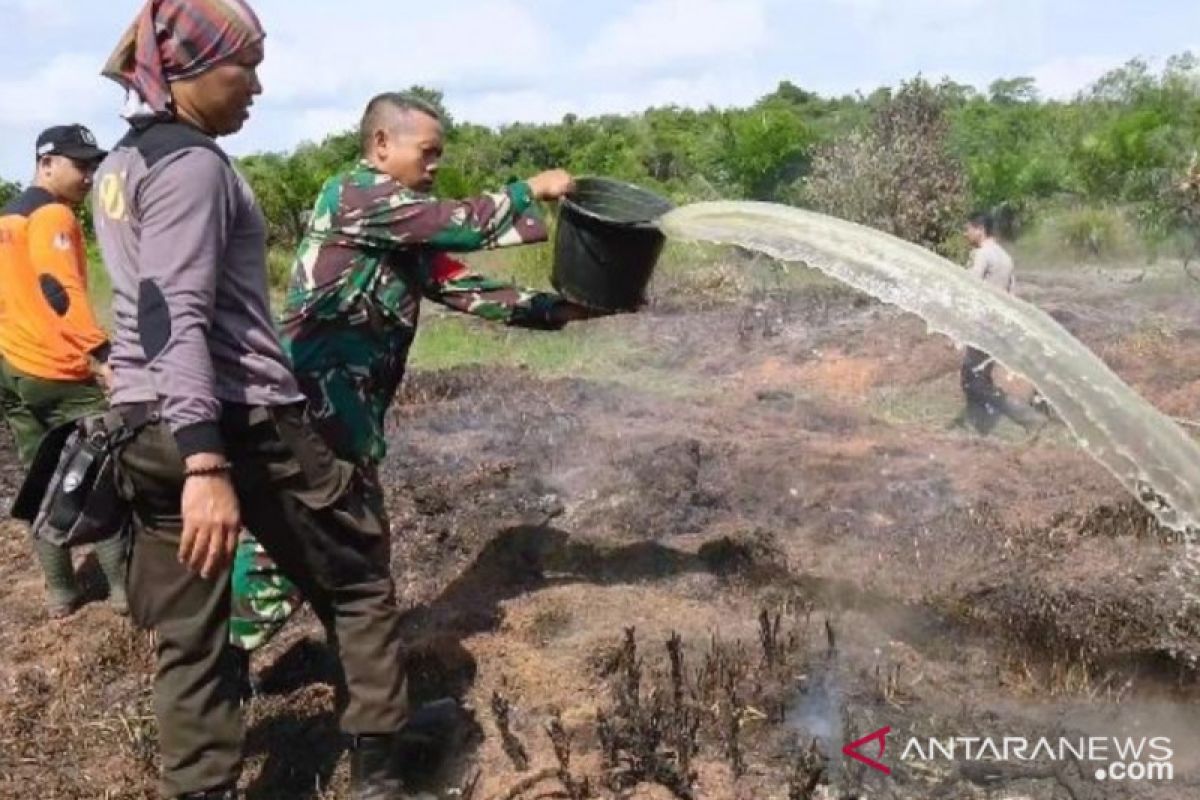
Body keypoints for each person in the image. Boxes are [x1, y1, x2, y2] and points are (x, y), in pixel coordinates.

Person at [92, 2, 414, 796]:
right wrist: (207, 460)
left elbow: (140, 311)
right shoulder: (195, 167)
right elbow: (175, 310)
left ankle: (199, 787)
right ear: (192, 73)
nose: (259, 87)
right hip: (234, 422)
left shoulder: (114, 169)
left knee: (190, 635)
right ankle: (384, 768)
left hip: (144, 425)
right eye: (248, 66)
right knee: (357, 579)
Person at [228, 92, 597, 661]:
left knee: (356, 552)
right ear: (381, 144)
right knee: (289, 552)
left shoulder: (397, 229)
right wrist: (531, 190)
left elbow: (460, 284)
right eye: (427, 152)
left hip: (348, 422)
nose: (435, 165)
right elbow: (460, 224)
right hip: (311, 417)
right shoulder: (355, 195)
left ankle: (366, 681)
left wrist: (557, 310)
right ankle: (219, 663)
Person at [0, 124, 127, 618]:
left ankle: (60, 592)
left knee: (40, 477)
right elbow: (60, 291)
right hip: (56, 369)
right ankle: (121, 594)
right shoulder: (53, 214)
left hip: (11, 369)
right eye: (80, 165)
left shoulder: (7, 217)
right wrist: (101, 355)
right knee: (100, 474)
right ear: (46, 162)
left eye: (94, 165)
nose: (89, 176)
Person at [957, 211, 1041, 434]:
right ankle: (977, 427)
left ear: (980, 229)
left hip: (981, 325)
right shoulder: (1005, 257)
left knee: (971, 379)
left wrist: (958, 325)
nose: (966, 234)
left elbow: (969, 288)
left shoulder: (981, 254)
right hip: (998, 326)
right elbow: (1013, 294)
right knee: (979, 376)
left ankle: (1026, 417)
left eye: (968, 229)